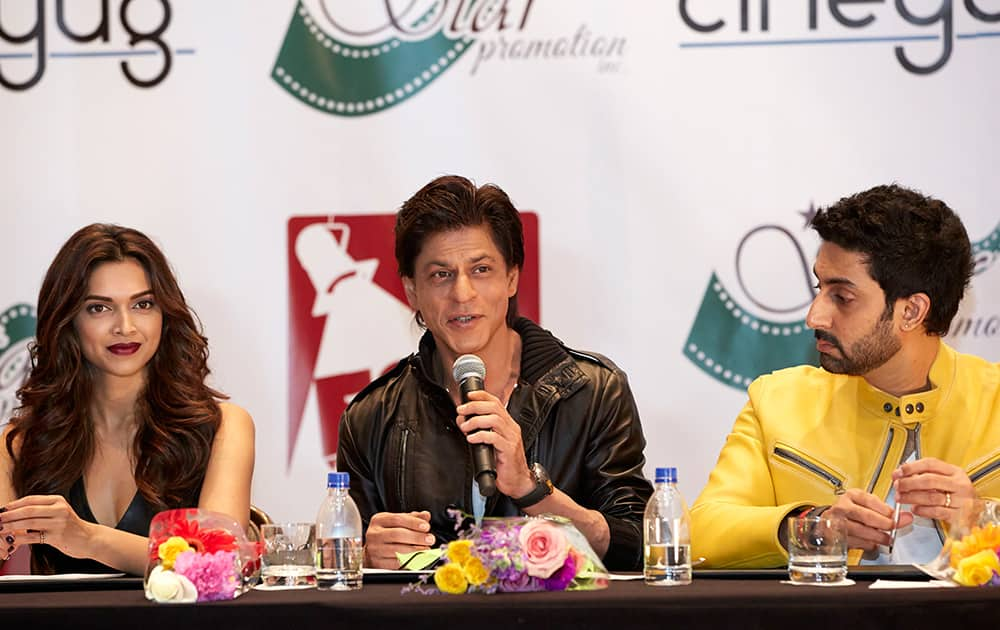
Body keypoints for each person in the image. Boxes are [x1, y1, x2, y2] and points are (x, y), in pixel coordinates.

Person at [337, 175, 652, 571]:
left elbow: (640, 544)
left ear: (512, 277)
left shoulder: (593, 391)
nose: (462, 293)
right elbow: (342, 571)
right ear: (412, 291)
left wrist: (533, 490)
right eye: (440, 274)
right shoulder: (371, 416)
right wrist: (363, 555)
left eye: (481, 269)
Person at [691, 184, 1000, 568]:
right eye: (820, 288)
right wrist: (809, 525)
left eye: (842, 297)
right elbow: (701, 531)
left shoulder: (995, 399)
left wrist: (981, 519)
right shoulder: (777, 399)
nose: (814, 317)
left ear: (912, 311)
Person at [0, 224, 255, 575]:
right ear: (67, 321)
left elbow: (219, 564)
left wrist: (88, 538)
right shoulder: (21, 442)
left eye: (143, 304)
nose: (125, 326)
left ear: (165, 314)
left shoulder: (224, 427)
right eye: (99, 308)